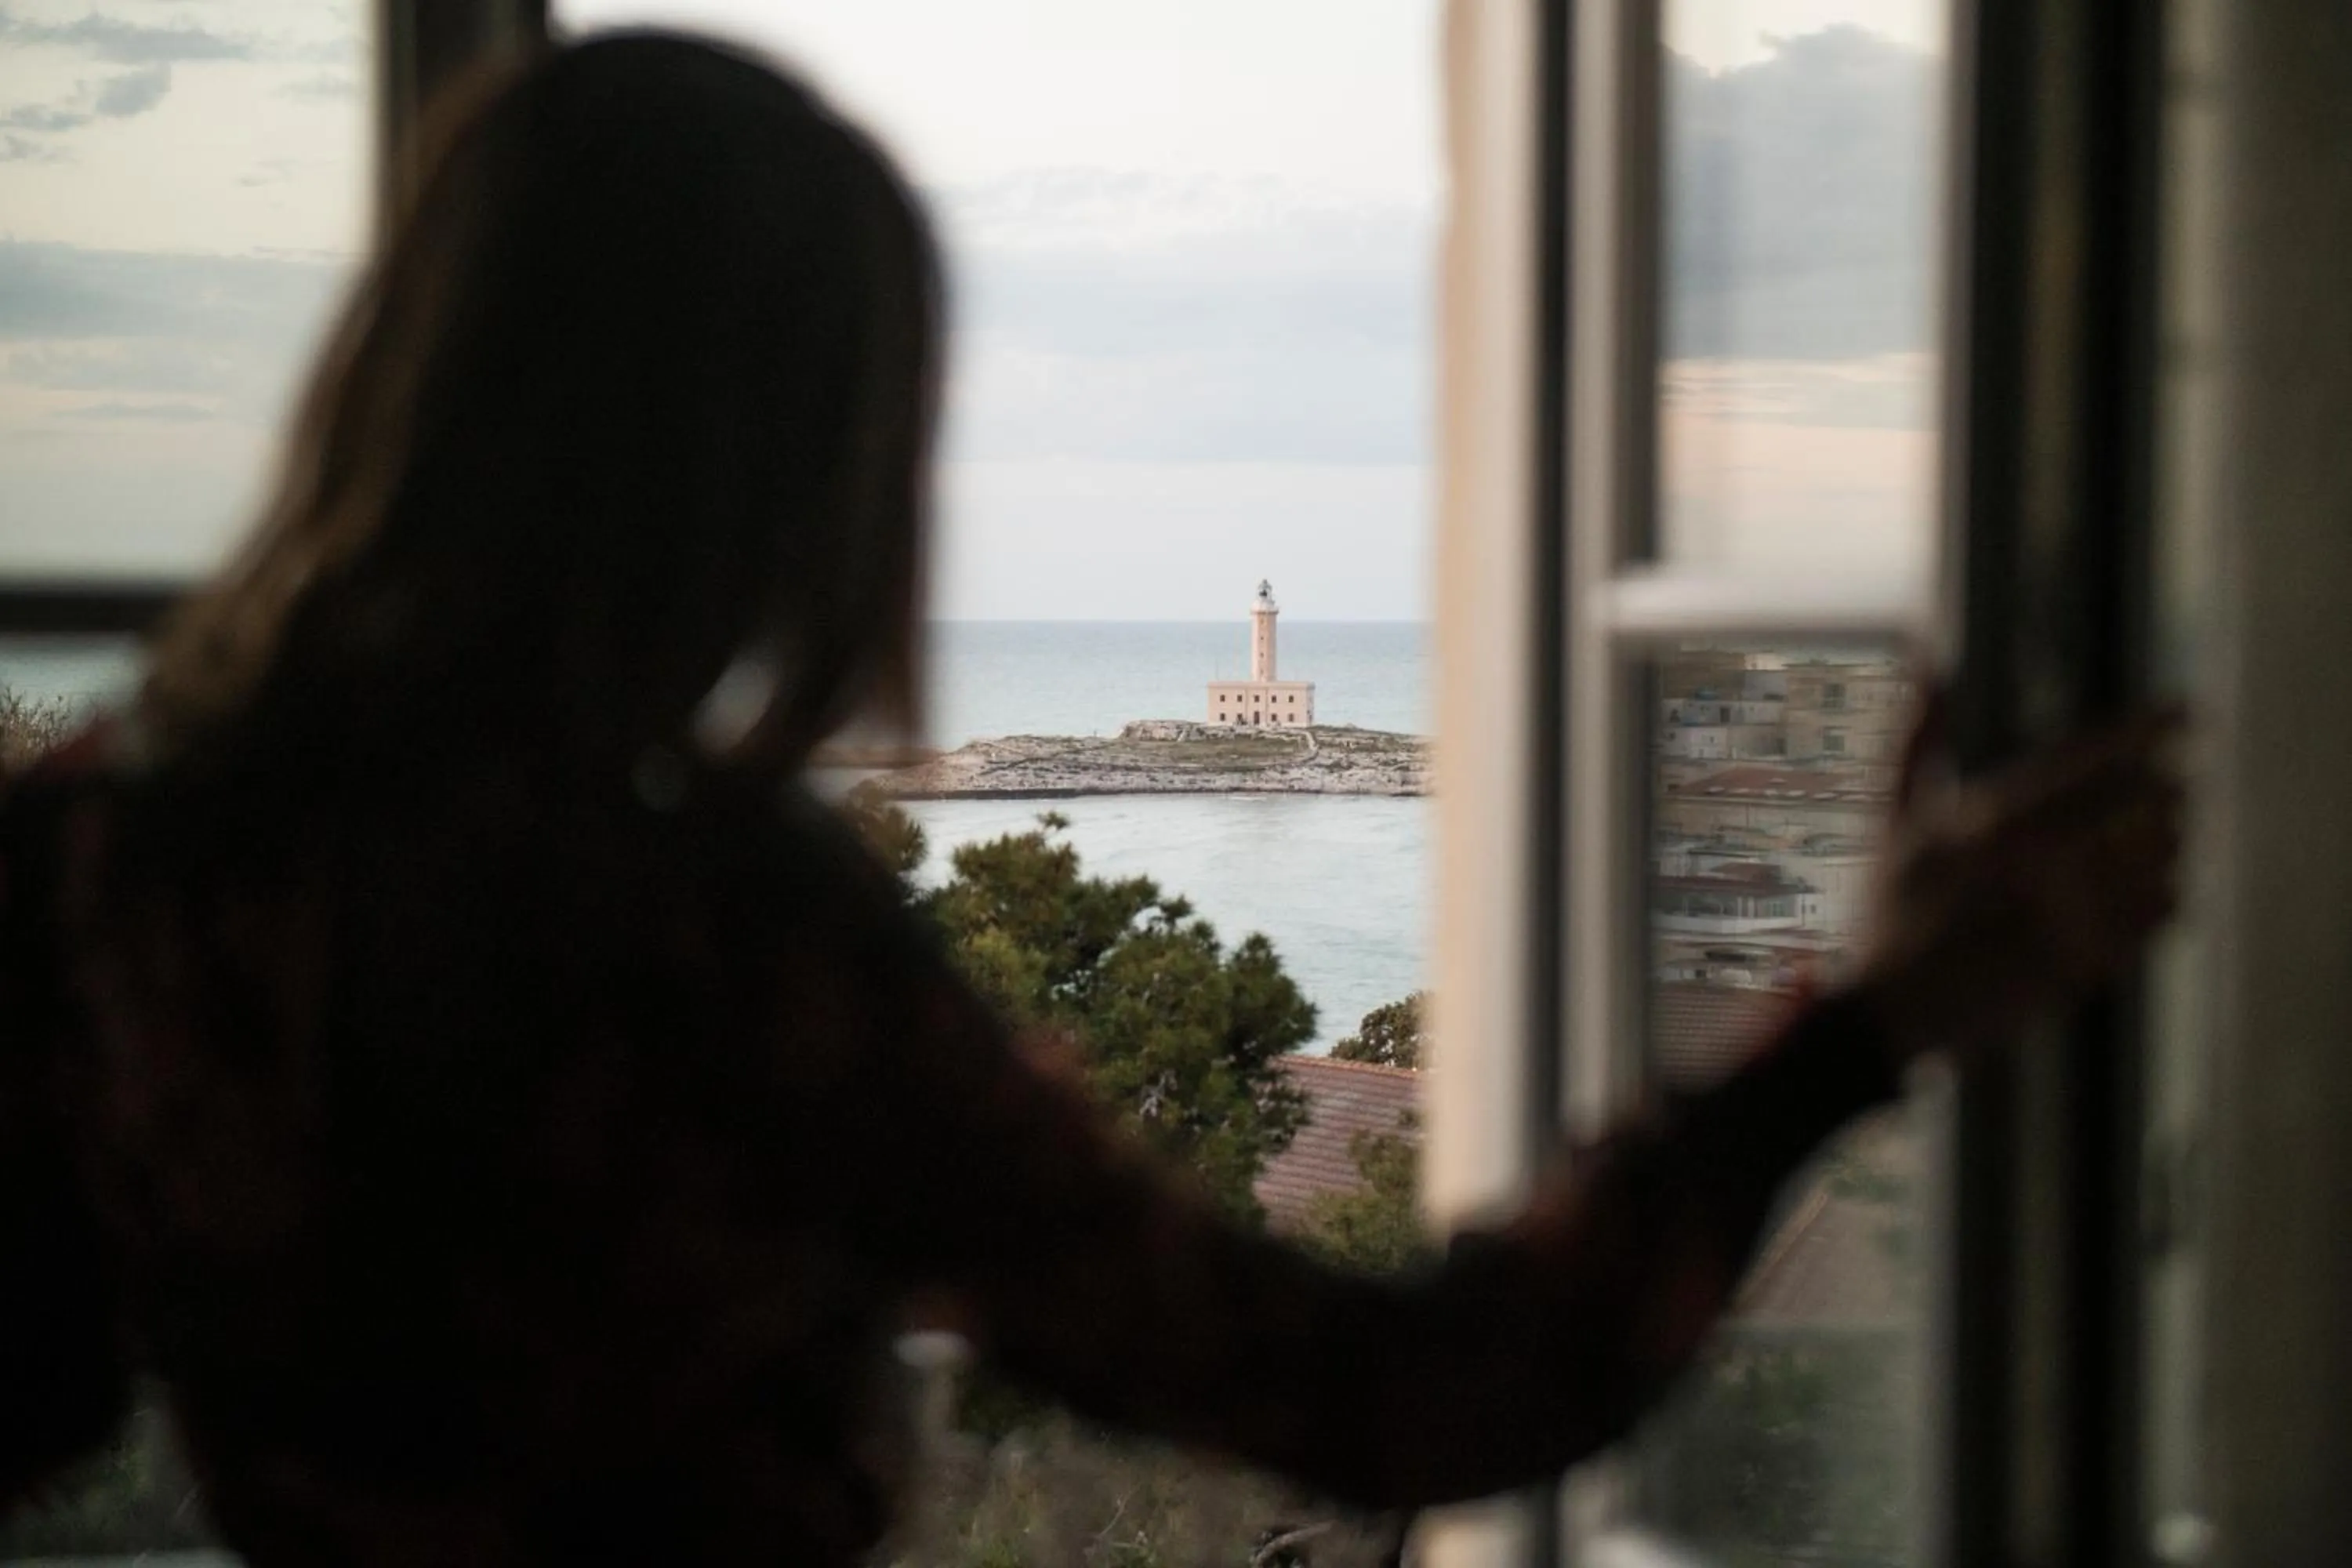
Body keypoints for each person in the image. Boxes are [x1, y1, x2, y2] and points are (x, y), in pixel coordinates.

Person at [0, 32, 2182, 1568]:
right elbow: (1399, 1399)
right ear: (779, 472)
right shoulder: (720, 935)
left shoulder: (98, 860)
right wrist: (1871, 1018)